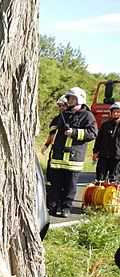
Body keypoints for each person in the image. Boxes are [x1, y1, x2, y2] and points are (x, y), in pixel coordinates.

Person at [46, 87, 97, 218]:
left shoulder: (88, 116)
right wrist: (51, 135)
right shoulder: (64, 114)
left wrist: (74, 133)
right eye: (69, 98)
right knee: (55, 185)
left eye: (72, 98)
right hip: (58, 157)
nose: (69, 100)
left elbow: (92, 133)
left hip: (74, 159)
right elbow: (53, 125)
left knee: (70, 186)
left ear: (80, 99)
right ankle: (51, 207)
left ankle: (65, 208)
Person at [92, 101, 120, 182]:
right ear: (111, 113)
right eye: (114, 112)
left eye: (118, 112)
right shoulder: (105, 125)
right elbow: (99, 140)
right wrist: (95, 152)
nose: (116, 114)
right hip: (104, 157)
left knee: (113, 181)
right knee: (99, 180)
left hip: (117, 159)